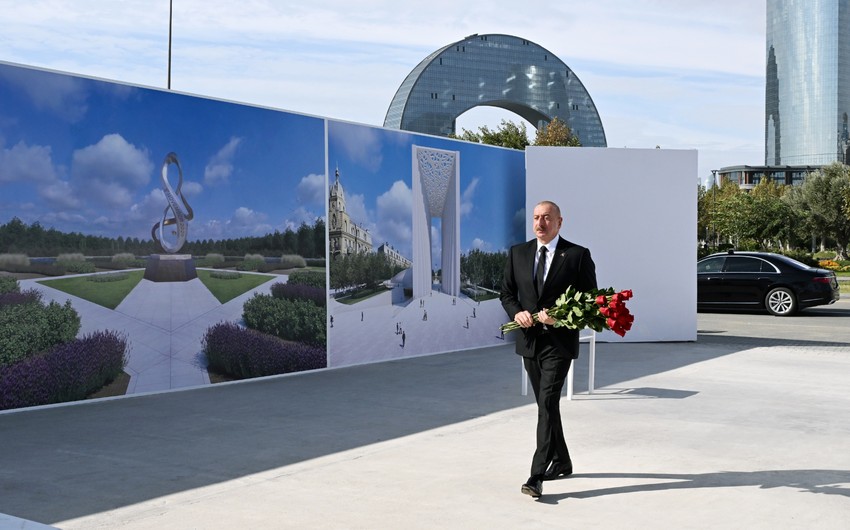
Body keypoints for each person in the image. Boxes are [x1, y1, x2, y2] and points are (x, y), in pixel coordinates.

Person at [500, 200, 597, 498]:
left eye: (546, 218)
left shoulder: (577, 256)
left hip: (559, 343)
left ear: (559, 222)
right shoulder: (519, 253)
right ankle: (563, 460)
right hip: (529, 342)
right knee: (547, 405)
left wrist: (560, 317)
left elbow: (591, 301)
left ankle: (536, 475)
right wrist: (517, 313)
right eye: (536, 218)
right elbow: (506, 293)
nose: (540, 223)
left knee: (546, 402)